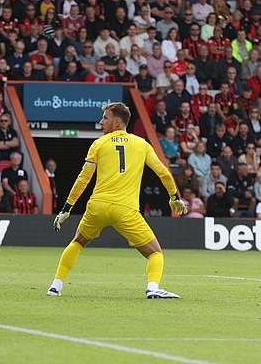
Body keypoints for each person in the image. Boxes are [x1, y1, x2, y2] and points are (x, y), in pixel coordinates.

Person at [47, 102, 187, 299]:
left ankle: (55, 286)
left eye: (105, 118)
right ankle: (153, 288)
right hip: (125, 209)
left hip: (97, 206)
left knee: (78, 242)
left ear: (117, 121)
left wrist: (66, 208)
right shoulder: (142, 145)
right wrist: (175, 197)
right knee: (155, 253)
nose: (100, 121)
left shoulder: (99, 144)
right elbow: (163, 172)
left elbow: (83, 178)